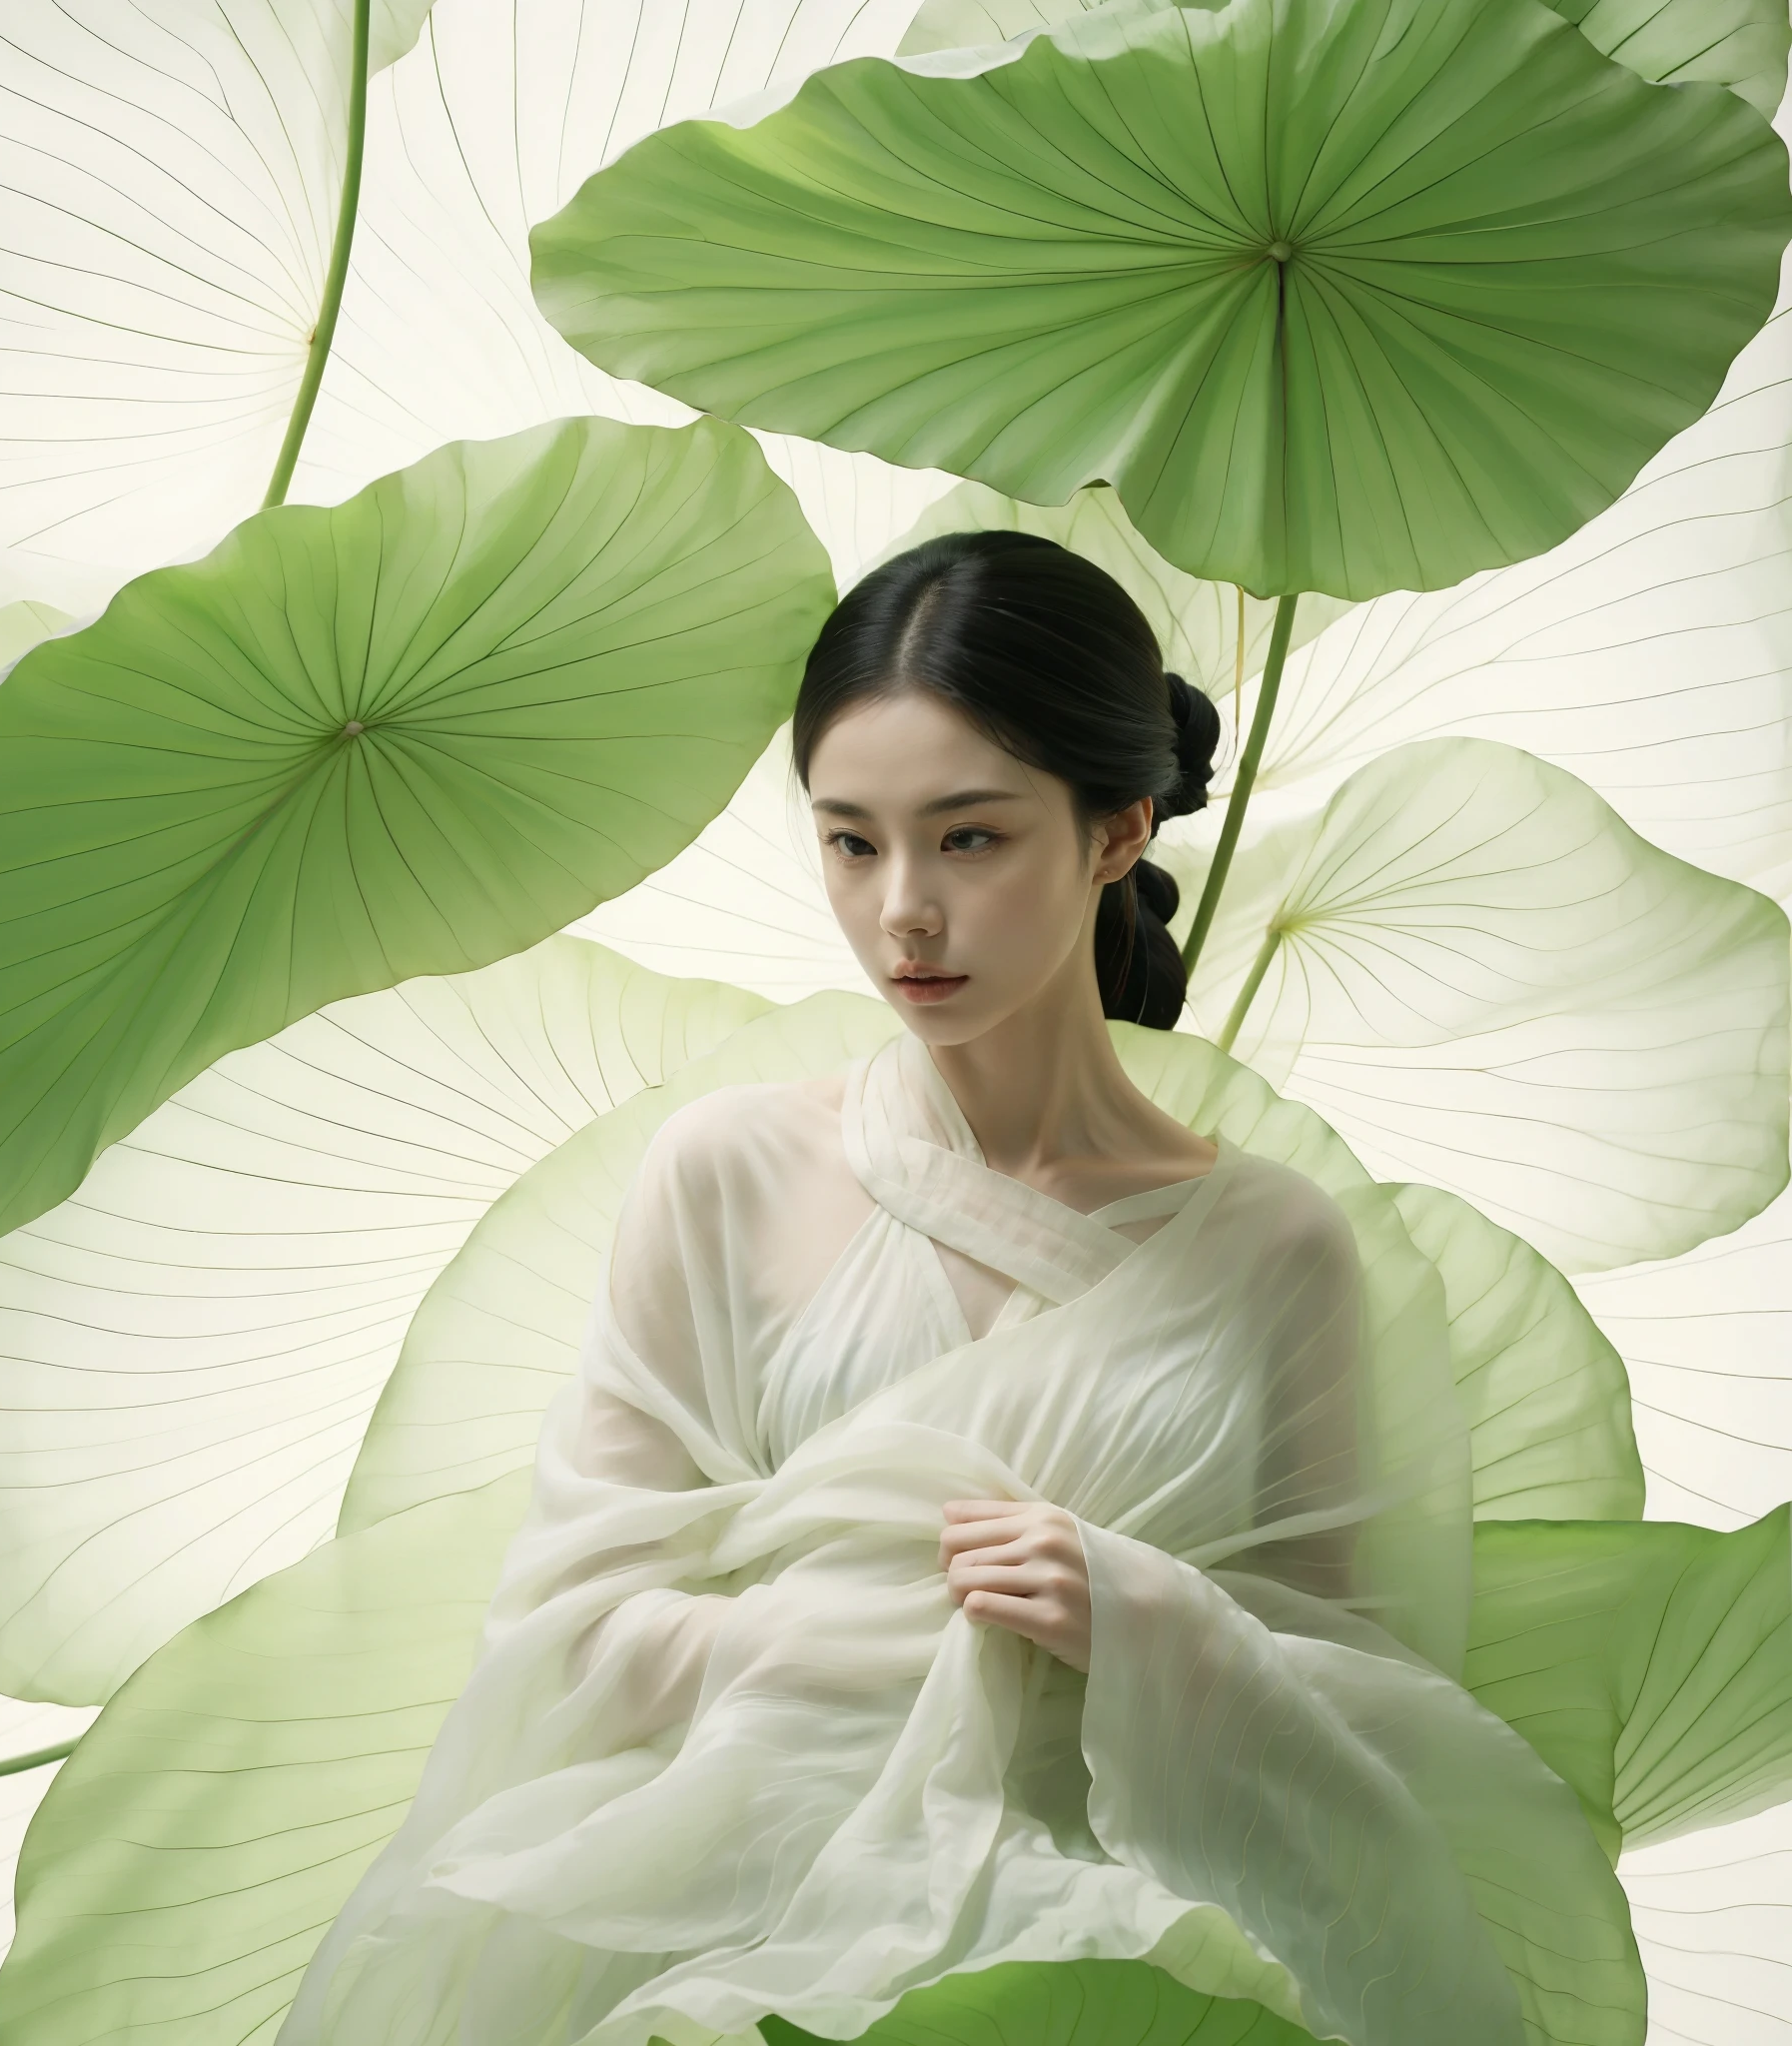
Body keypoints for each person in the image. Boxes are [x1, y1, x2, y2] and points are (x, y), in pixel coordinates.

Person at [279, 531, 1636, 2046]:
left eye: (969, 839)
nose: (902, 913)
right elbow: (567, 1622)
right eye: (852, 843)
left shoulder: (1271, 1248)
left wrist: (1132, 1612)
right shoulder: (725, 1171)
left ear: (1116, 831)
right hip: (723, 1917)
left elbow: (1365, 1709)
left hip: (1135, 1944)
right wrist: (844, 1632)